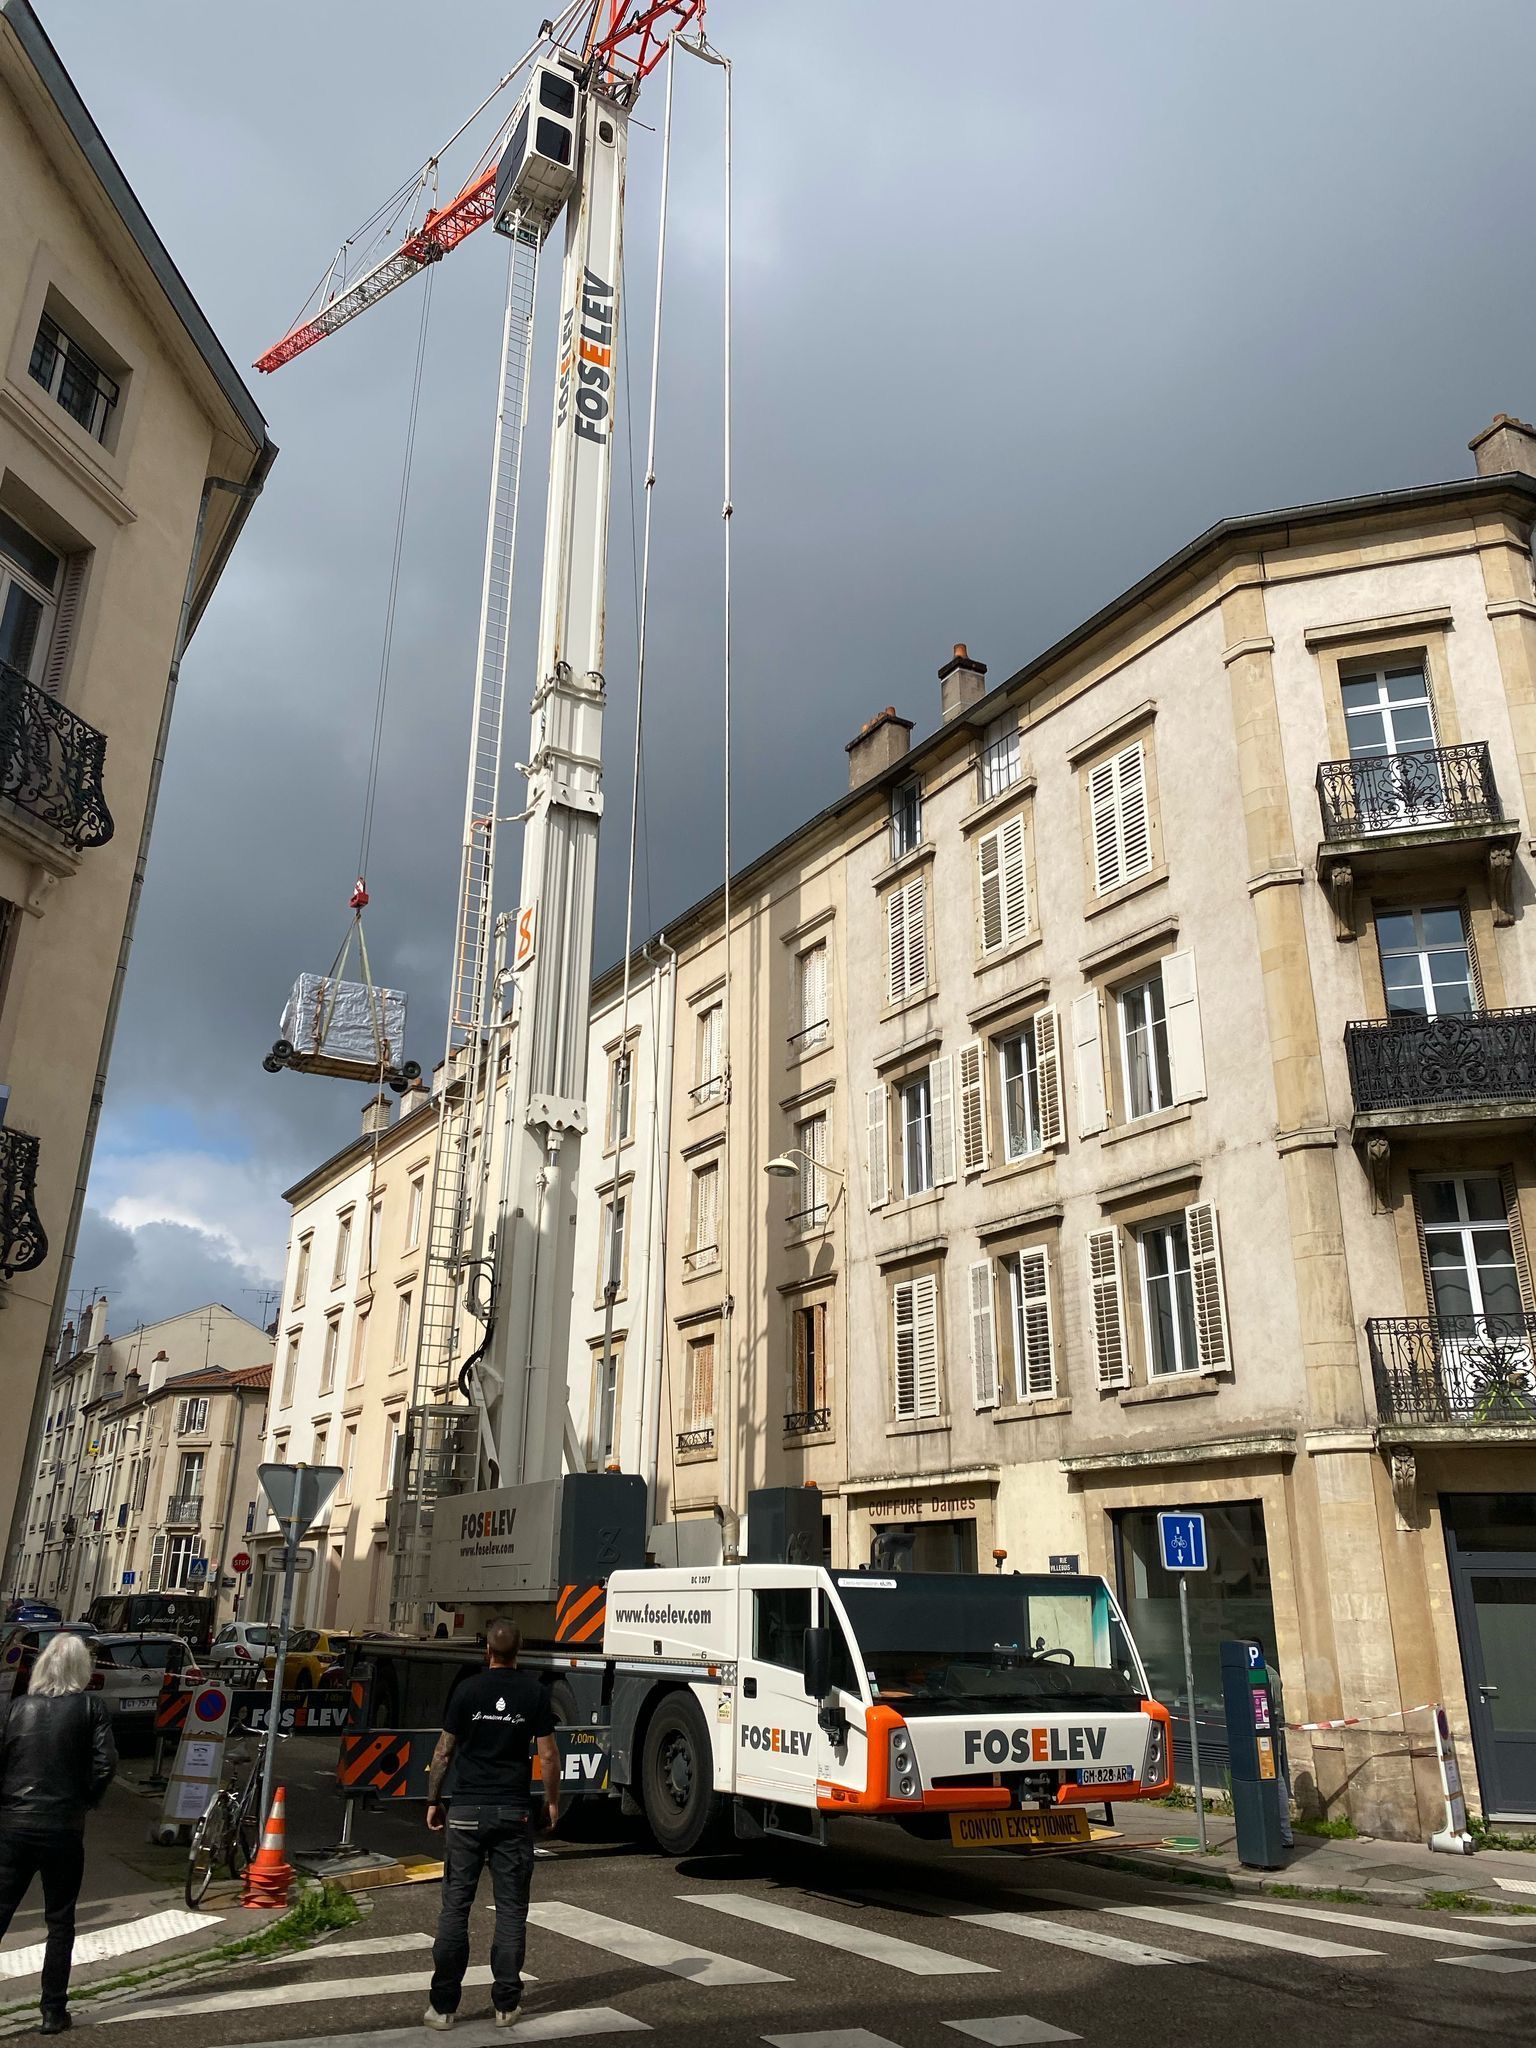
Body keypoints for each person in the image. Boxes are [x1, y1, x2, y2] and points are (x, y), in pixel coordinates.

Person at [423, 1619, 560, 2030]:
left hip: (465, 1812)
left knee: (455, 1908)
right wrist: (552, 1802)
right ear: (519, 1652)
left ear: (487, 1651)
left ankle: (443, 2008)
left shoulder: (467, 1691)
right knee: (512, 1911)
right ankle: (505, 2005)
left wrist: (434, 1800)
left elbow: (444, 1753)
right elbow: (549, 1756)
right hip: (512, 1812)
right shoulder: (535, 1693)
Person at [0, 1631, 116, 2033]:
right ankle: (53, 2010)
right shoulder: (90, 1707)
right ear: (81, 1668)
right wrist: (84, 1800)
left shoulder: (16, 1708)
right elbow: (105, 1764)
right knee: (60, 1921)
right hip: (64, 1827)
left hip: (13, 1825)